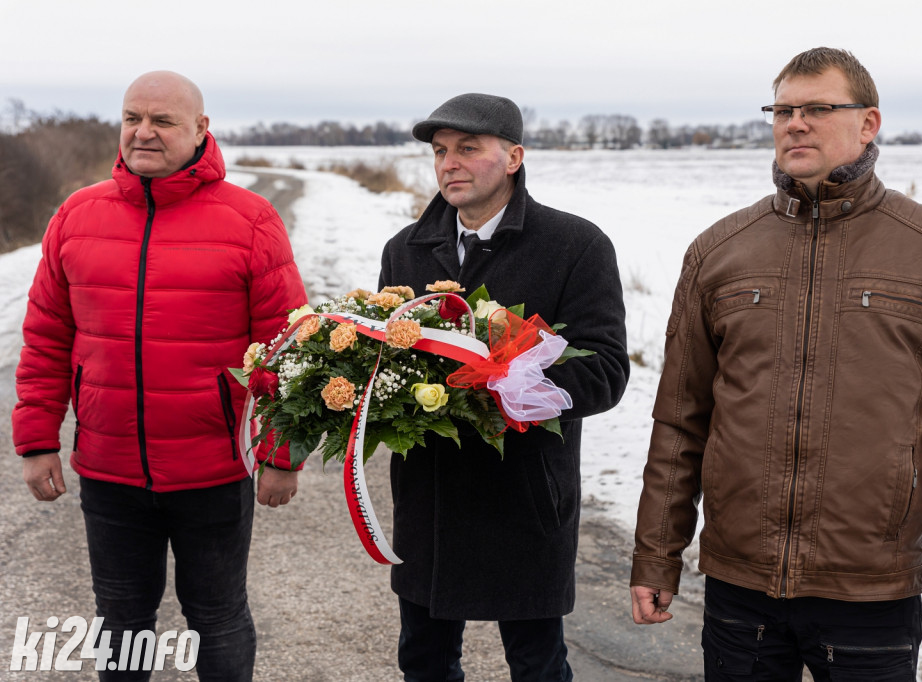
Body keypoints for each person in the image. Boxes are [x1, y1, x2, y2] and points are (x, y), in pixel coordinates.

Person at [630, 47, 922, 680]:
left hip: (871, 590)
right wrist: (656, 557)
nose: (795, 123)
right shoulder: (718, 252)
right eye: (782, 110)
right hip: (740, 586)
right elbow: (680, 424)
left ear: (869, 123)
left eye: (816, 108)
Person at [12, 71, 307, 680]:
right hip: (111, 469)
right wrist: (37, 440)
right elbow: (46, 338)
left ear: (201, 130)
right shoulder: (76, 215)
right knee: (120, 620)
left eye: (163, 121)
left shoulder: (250, 221)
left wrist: (281, 451)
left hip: (215, 470)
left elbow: (288, 349)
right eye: (131, 118)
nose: (143, 132)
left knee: (218, 616)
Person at [379, 93, 629, 681]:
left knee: (538, 664)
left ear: (514, 156)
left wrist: (504, 382)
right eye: (441, 152)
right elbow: (389, 356)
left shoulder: (575, 246)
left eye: (469, 148)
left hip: (525, 497)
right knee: (424, 660)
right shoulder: (405, 250)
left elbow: (606, 371)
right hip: (429, 499)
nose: (450, 164)